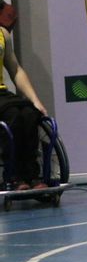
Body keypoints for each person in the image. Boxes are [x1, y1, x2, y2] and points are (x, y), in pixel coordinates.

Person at [0, 24, 50, 191]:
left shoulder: (3, 34)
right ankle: (13, 176)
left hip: (2, 94)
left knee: (29, 113)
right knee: (12, 114)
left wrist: (35, 100)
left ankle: (32, 176)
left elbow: (15, 69)